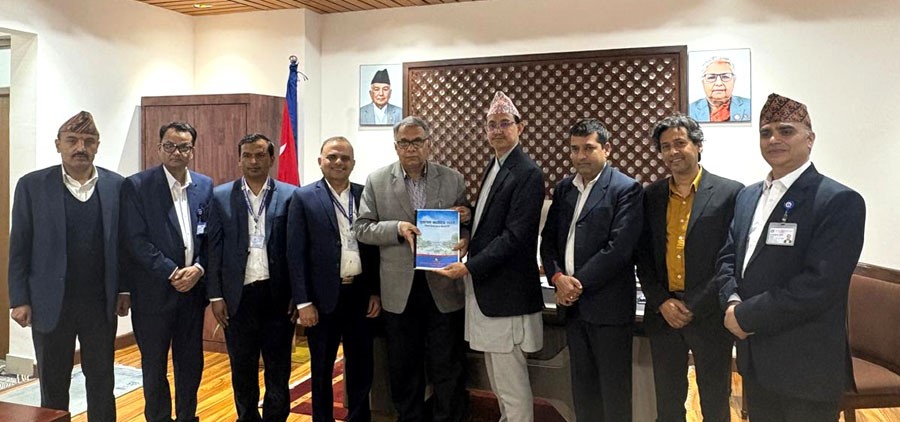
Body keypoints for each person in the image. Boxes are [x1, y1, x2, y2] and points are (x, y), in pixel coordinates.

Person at [715, 93, 866, 421]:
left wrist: (745, 316)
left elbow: (819, 285)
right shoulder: (747, 196)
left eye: (786, 131)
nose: (774, 139)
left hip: (805, 365)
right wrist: (731, 302)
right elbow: (728, 257)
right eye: (765, 132)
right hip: (756, 359)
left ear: (810, 139)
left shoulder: (838, 200)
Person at [8, 111, 127, 421]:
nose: (80, 147)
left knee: (102, 381)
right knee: (53, 384)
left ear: (98, 145)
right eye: (72, 140)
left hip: (99, 304)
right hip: (49, 304)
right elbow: (19, 247)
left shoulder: (117, 186)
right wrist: (19, 299)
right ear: (58, 144)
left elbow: (123, 246)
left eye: (88, 141)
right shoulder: (32, 186)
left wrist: (125, 289)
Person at [435, 91, 543, 422]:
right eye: (491, 124)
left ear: (520, 128)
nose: (497, 130)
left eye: (505, 123)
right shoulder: (497, 164)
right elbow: (493, 220)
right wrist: (469, 219)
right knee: (499, 381)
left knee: (511, 384)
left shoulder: (527, 172)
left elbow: (515, 237)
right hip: (490, 292)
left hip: (506, 293)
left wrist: (468, 267)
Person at [354, 116, 471, 422]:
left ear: (429, 144)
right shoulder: (377, 180)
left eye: (417, 141)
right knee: (404, 367)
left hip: (442, 285)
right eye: (404, 143)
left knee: (447, 365)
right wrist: (397, 228)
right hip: (399, 291)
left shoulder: (452, 179)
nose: (411, 148)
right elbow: (362, 228)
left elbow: (466, 223)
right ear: (396, 147)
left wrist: (465, 236)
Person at [636, 114, 743, 422]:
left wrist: (693, 304)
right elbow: (643, 256)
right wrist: (662, 301)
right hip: (663, 315)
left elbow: (730, 258)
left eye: (680, 143)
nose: (673, 152)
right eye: (665, 146)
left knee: (714, 401)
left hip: (709, 316)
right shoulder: (651, 195)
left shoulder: (730, 193)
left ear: (698, 145)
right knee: (668, 403)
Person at [539, 118, 642, 421]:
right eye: (574, 149)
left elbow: (619, 249)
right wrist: (557, 277)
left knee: (614, 394)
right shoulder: (564, 189)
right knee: (583, 392)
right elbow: (548, 241)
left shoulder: (626, 189)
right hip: (574, 310)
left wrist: (576, 284)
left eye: (588, 148)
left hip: (608, 310)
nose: (580, 155)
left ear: (607, 149)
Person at [120, 121, 213, 422]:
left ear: (192, 151)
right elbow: (135, 240)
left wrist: (199, 268)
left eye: (183, 147)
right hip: (153, 294)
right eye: (170, 146)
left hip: (192, 294)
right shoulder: (137, 186)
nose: (176, 152)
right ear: (159, 148)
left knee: (191, 363)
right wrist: (172, 272)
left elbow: (211, 237)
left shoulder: (205, 186)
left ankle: (187, 416)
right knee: (154, 365)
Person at [205, 133, 298, 421]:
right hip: (238, 298)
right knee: (242, 369)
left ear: (272, 158)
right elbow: (213, 249)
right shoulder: (220, 196)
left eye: (260, 155)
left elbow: (297, 250)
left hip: (278, 297)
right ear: (239, 159)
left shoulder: (291, 195)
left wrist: (299, 295)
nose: (253, 161)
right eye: (247, 155)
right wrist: (216, 296)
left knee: (278, 370)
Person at [289, 136, 381, 422]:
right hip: (321, 298)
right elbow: (295, 253)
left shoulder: (366, 195)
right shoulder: (303, 197)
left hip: (359, 295)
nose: (338, 162)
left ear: (353, 163)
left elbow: (374, 250)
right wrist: (303, 302)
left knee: (361, 366)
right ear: (320, 161)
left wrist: (375, 292)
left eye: (345, 158)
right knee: (321, 368)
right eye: (332, 157)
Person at [688, 57, 751, 122]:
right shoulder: (689, 110)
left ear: (734, 81)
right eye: (711, 77)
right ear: (703, 82)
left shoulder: (750, 106)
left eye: (725, 77)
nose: (719, 83)